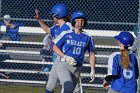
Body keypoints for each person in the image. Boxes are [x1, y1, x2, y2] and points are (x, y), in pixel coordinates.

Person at [52, 11, 96, 93]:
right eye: (78, 20)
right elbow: (54, 47)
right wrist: (65, 57)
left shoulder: (88, 37)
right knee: (68, 88)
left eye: (82, 20)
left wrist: (92, 69)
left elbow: (92, 54)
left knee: (70, 91)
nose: (80, 22)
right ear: (73, 21)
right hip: (64, 65)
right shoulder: (66, 33)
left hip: (77, 68)